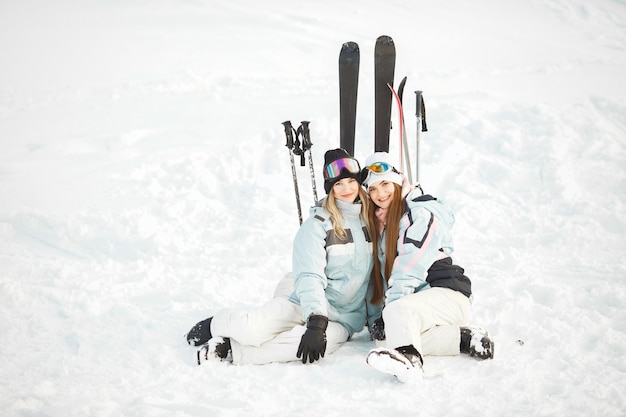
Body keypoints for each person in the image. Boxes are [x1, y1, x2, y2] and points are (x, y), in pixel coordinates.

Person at [186, 148, 373, 365]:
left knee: (299, 345)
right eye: (338, 184)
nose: (347, 188)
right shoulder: (317, 226)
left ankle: (231, 349)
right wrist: (316, 321)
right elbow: (310, 276)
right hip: (304, 302)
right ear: (330, 189)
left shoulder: (370, 221)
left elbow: (373, 276)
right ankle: (217, 324)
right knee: (253, 329)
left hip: (344, 318)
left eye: (351, 181)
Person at [361, 152, 494, 382]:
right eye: (372, 189)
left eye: (385, 184)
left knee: (396, 314)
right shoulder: (385, 223)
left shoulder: (418, 214)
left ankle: (409, 359)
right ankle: (461, 338)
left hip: (448, 294)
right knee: (385, 338)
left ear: (397, 181)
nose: (380, 194)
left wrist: (388, 311)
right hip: (424, 304)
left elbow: (409, 269)